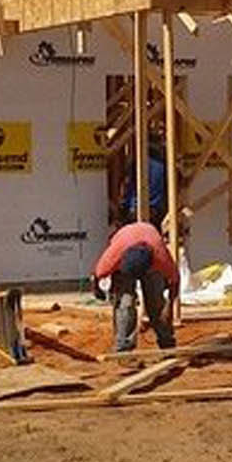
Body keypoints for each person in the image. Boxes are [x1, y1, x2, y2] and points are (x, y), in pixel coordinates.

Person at [92, 220, 178, 352]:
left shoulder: (160, 258)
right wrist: (98, 290)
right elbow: (97, 275)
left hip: (150, 255)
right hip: (125, 247)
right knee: (125, 303)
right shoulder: (114, 257)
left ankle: (166, 341)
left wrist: (169, 306)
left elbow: (175, 280)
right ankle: (124, 344)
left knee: (156, 302)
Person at [119, 140, 169, 227]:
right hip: (154, 211)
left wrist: (124, 204)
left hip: (135, 209)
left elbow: (129, 185)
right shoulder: (163, 166)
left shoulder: (138, 164)